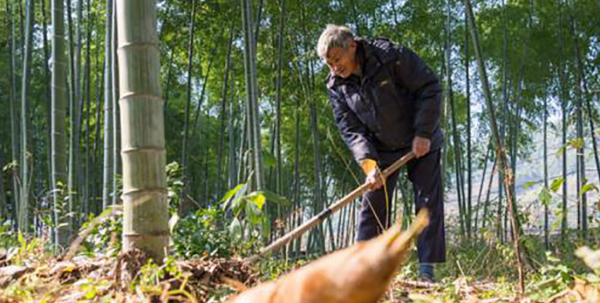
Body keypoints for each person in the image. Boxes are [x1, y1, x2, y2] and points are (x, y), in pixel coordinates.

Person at [317, 24, 445, 281]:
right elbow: (350, 129)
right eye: (328, 63)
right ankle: (363, 272)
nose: (334, 68)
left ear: (351, 46)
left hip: (419, 139)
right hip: (380, 148)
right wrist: (368, 164)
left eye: (337, 60)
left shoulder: (390, 56)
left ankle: (427, 270)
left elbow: (430, 87)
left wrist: (422, 133)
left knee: (427, 201)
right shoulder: (336, 85)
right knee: (373, 206)